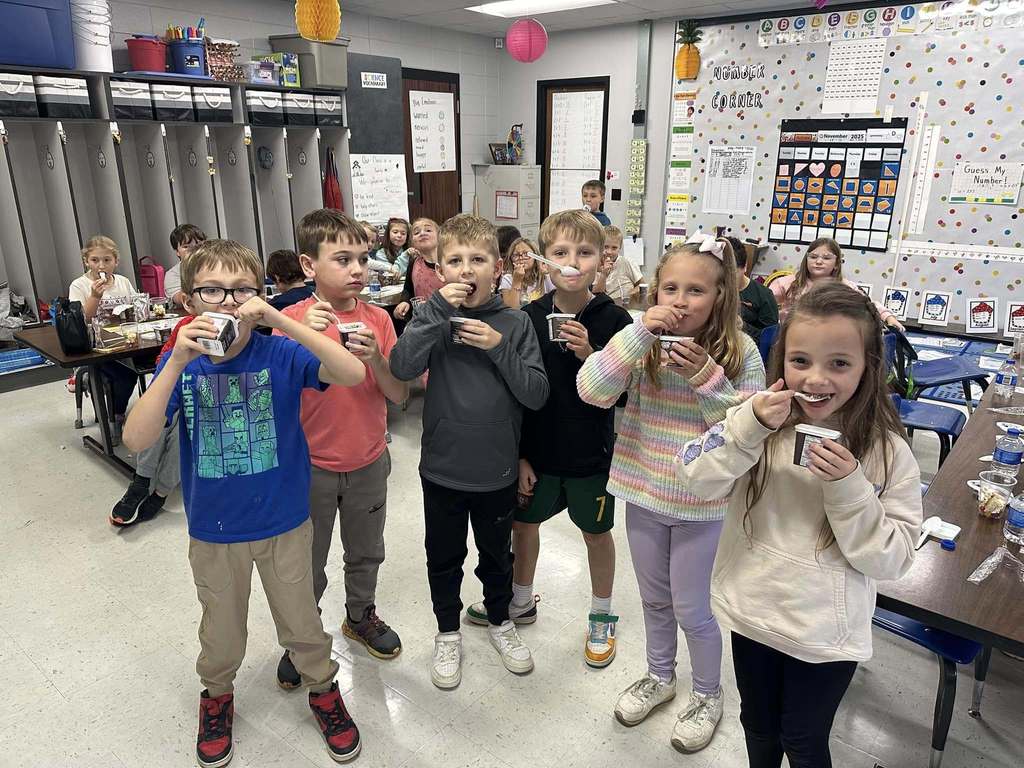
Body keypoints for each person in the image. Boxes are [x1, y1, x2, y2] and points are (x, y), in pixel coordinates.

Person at [122, 239, 367, 767]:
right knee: (222, 628)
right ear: (190, 301)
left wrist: (282, 319)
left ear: (258, 296)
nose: (228, 301)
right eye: (212, 290)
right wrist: (176, 360)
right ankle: (216, 695)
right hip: (214, 528)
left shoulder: (278, 350)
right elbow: (137, 440)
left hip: (283, 520)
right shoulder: (178, 359)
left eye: (241, 290)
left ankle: (323, 689)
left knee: (302, 622)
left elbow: (350, 374)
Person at [676, 282, 922, 768]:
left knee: (805, 741)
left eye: (839, 363)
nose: (815, 379)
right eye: (800, 360)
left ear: (868, 367)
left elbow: (893, 559)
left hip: (823, 636)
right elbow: (696, 478)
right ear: (782, 359)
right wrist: (748, 426)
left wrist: (850, 486)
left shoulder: (888, 452)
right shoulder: (759, 421)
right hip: (754, 614)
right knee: (758, 728)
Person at [578, 233, 765, 753]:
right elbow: (592, 390)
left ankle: (708, 693)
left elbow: (746, 431)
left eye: (696, 291)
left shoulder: (740, 350)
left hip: (702, 504)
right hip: (643, 491)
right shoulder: (643, 343)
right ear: (654, 291)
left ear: (721, 296)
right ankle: (660, 677)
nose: (680, 302)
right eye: (669, 289)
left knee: (692, 608)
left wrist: (706, 377)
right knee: (654, 600)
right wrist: (637, 334)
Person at [389, 214, 549, 690]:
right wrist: (434, 313)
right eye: (454, 261)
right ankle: (447, 631)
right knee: (443, 555)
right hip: (441, 466)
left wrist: (500, 348)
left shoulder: (516, 324)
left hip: (496, 468)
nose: (466, 270)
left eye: (477, 259)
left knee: (497, 555)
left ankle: (500, 620)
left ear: (497, 267)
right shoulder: (432, 318)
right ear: (439, 271)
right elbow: (400, 366)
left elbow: (537, 394)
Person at [466, 209, 632, 667]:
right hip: (538, 452)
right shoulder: (529, 317)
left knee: (596, 534)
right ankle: (520, 600)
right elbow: (517, 393)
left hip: (593, 456)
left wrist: (591, 355)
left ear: (603, 260)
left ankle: (601, 615)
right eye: (561, 252)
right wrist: (519, 455)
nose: (573, 261)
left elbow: (622, 397)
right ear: (544, 260)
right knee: (524, 527)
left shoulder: (615, 319)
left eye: (584, 252)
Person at [273, 209, 408, 688]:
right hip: (307, 468)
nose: (357, 270)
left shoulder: (378, 320)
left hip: (369, 459)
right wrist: (303, 336)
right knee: (304, 562)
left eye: (363, 258)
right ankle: (302, 638)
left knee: (367, 550)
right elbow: (273, 396)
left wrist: (377, 362)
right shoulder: (288, 321)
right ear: (309, 266)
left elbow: (399, 396)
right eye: (343, 259)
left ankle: (360, 613)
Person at [108, 314, 194, 526]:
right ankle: (142, 480)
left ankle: (161, 491)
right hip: (177, 387)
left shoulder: (243, 334)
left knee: (183, 428)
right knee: (160, 415)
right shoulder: (187, 325)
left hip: (204, 400)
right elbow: (162, 359)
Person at [67, 236, 143, 426]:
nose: (101, 265)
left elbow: (135, 307)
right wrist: (94, 296)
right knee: (124, 375)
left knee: (140, 367)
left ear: (116, 261)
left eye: (107, 260)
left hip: (125, 342)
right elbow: (82, 319)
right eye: (95, 260)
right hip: (95, 345)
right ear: (86, 261)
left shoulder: (123, 282)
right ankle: (112, 414)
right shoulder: (79, 285)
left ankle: (116, 411)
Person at [769, 238, 904, 330]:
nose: (819, 261)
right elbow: (765, 298)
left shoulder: (843, 287)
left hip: (828, 338)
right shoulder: (789, 282)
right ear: (806, 260)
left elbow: (868, 304)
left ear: (836, 264)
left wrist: (889, 317)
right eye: (813, 257)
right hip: (790, 336)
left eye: (826, 258)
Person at [727, 236, 778, 343]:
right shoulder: (712, 290)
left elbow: (770, 339)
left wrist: (742, 326)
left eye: (731, 273)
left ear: (745, 266)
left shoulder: (764, 295)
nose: (725, 279)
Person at [393, 217, 443, 322]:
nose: (422, 233)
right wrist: (404, 301)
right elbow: (408, 289)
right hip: (423, 320)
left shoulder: (449, 263)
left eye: (428, 230)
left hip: (447, 318)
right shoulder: (413, 263)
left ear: (440, 237)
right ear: (412, 242)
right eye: (416, 232)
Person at [594, 225, 643, 304]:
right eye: (606, 247)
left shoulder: (627, 262)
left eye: (614, 248)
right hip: (604, 306)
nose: (609, 252)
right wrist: (603, 274)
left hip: (625, 305)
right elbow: (596, 294)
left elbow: (642, 285)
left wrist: (629, 296)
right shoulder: (595, 265)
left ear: (620, 248)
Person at [499, 236, 552, 308]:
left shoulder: (545, 276)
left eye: (526, 254)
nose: (521, 258)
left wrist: (548, 273)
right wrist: (516, 281)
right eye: (516, 255)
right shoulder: (508, 279)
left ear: (535, 256)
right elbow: (511, 310)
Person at [164, 224, 207, 309]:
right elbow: (179, 299)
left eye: (199, 245)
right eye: (186, 247)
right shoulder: (172, 274)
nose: (194, 250)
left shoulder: (218, 264)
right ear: (177, 252)